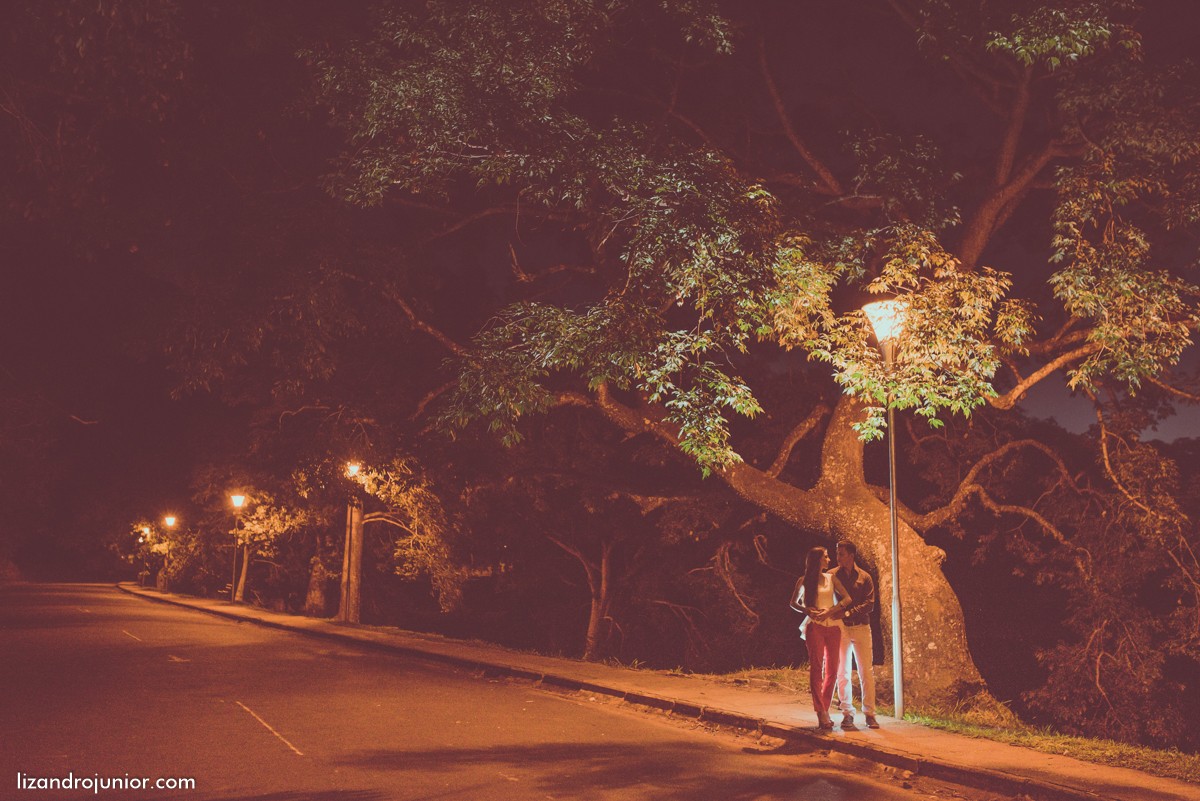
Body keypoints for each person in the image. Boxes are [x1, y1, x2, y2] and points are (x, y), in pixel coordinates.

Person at [790, 546, 847, 730]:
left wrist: (831, 610)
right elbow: (793, 603)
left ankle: (825, 708)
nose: (829, 559)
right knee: (816, 667)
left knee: (833, 669)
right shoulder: (804, 580)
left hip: (833, 626)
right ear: (817, 560)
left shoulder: (832, 578)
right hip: (815, 627)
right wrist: (807, 610)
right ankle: (820, 712)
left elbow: (847, 599)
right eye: (826, 556)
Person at [831, 540, 879, 729]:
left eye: (841, 553)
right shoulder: (832, 575)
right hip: (841, 628)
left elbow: (870, 604)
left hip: (861, 627)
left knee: (866, 671)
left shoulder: (865, 577)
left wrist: (849, 612)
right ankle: (847, 713)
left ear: (851, 556)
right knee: (842, 671)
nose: (838, 557)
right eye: (837, 553)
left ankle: (869, 713)